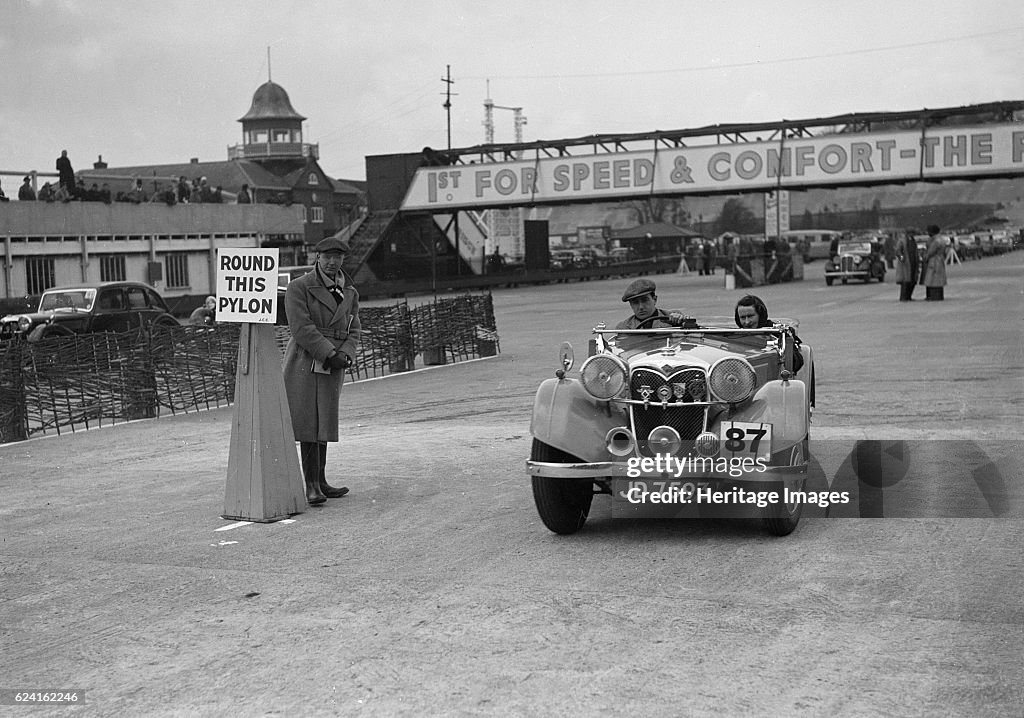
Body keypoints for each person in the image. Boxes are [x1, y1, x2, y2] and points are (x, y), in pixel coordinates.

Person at [282, 235, 361, 504]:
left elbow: (354, 327)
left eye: (337, 257)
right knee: (308, 421)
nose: (331, 262)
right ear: (317, 257)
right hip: (306, 360)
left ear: (343, 259)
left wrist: (346, 353)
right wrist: (329, 353)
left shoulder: (348, 291)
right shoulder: (299, 287)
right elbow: (301, 328)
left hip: (333, 362)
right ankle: (311, 485)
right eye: (326, 257)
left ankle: (322, 481)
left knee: (323, 420)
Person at [734, 294, 805, 374]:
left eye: (750, 316)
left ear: (760, 315)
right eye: (743, 318)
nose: (747, 322)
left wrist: (786, 357)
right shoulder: (732, 336)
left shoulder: (778, 332)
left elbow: (797, 362)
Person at [615, 278, 689, 329]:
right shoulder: (624, 328)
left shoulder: (673, 318)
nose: (641, 307)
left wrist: (682, 322)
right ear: (631, 305)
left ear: (654, 300)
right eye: (635, 303)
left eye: (645, 300)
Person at [921, 224, 947, 301]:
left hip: (934, 261)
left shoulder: (935, 241)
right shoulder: (941, 239)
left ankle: (933, 296)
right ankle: (939, 296)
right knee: (939, 279)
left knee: (932, 279)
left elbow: (930, 252)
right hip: (940, 260)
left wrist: (924, 257)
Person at [894, 230, 920, 301]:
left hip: (913, 263)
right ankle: (904, 297)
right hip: (905, 263)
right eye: (911, 233)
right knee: (905, 281)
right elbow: (898, 250)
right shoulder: (902, 241)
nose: (912, 234)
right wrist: (901, 257)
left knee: (912, 280)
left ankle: (909, 296)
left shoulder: (913, 241)